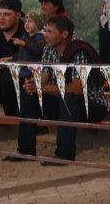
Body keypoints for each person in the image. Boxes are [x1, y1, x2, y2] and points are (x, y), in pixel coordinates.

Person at [15, 15, 106, 164]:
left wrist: (42, 87)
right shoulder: (48, 51)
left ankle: (65, 154)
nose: (45, 35)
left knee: (69, 97)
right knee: (30, 96)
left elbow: (77, 88)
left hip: (91, 106)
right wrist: (34, 85)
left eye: (50, 32)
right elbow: (43, 79)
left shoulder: (79, 51)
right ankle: (26, 151)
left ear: (64, 35)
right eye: (45, 31)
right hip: (62, 104)